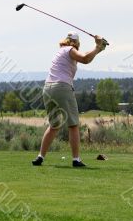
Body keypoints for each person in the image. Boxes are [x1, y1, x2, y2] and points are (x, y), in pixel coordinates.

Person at [32, 31, 106, 167]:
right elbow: (85, 59)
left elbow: (86, 57)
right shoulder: (71, 50)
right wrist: (97, 47)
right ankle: (76, 159)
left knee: (54, 125)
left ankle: (40, 157)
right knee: (73, 124)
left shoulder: (61, 51)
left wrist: (99, 48)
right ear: (76, 43)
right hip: (62, 88)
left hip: (48, 89)